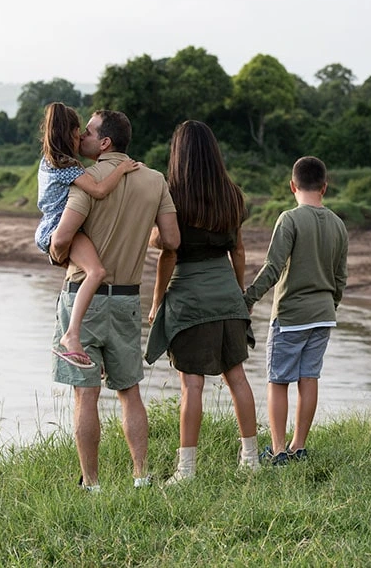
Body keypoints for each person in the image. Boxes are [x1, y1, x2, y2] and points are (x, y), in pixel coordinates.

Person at [49, 109, 179, 491]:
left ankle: (91, 483)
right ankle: (140, 475)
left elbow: (61, 238)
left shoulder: (85, 182)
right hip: (127, 299)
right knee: (130, 391)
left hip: (83, 301)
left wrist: (58, 257)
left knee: (85, 395)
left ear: (105, 142)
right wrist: (140, 236)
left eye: (88, 132)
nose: (81, 138)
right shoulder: (155, 180)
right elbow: (171, 241)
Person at [145, 120, 260, 482]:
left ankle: (187, 471)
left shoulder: (171, 196)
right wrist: (239, 295)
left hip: (189, 298)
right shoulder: (232, 194)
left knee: (191, 384)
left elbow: (167, 251)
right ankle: (252, 460)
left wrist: (156, 301)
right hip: (227, 292)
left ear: (178, 155)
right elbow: (238, 250)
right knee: (237, 377)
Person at [243, 156, 348, 465]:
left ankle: (277, 451)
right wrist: (332, 304)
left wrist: (249, 299)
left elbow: (273, 268)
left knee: (278, 380)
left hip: (290, 316)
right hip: (324, 314)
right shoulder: (339, 225)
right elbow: (340, 277)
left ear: (292, 186)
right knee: (309, 378)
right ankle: (298, 447)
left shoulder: (289, 219)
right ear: (324, 187)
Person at [35, 101, 139, 369]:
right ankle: (72, 335)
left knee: (88, 273)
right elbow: (100, 190)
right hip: (59, 227)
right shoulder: (68, 166)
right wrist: (122, 168)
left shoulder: (49, 161)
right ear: (67, 133)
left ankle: (82, 339)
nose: (81, 136)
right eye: (78, 131)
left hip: (47, 227)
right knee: (96, 272)